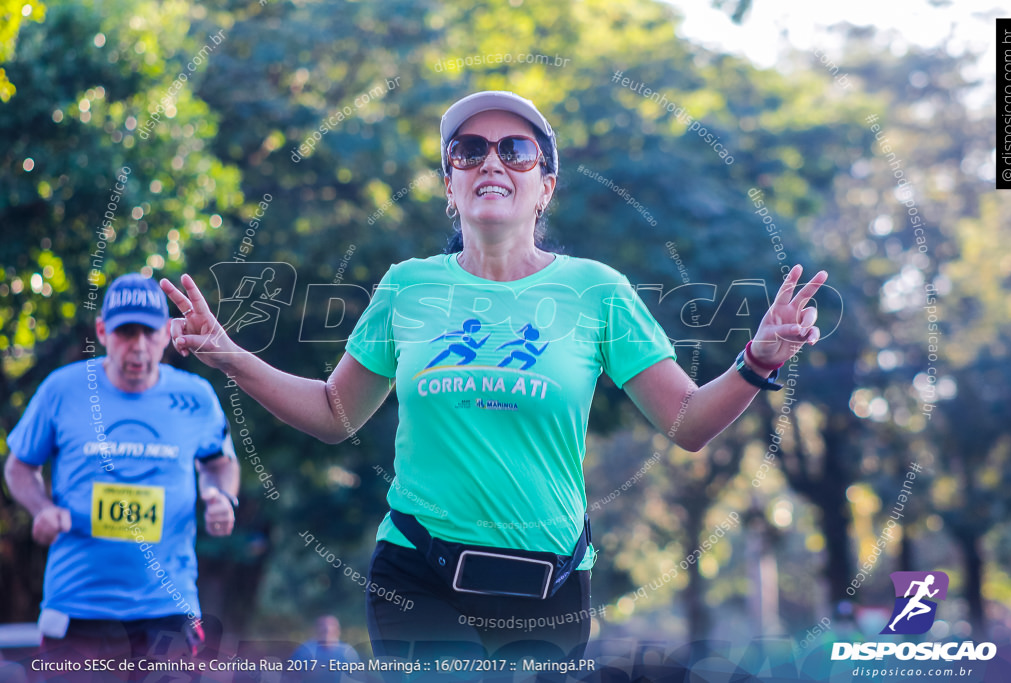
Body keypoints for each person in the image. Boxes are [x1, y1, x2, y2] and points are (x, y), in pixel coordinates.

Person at [159, 91, 827, 662]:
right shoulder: (408, 286)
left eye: (516, 150)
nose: (491, 161)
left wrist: (758, 359)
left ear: (546, 186)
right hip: (417, 572)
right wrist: (229, 355)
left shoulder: (596, 291)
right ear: (450, 186)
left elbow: (685, 423)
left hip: (549, 585)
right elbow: (336, 412)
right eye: (468, 150)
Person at [3, 273, 240, 674]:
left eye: (148, 333)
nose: (137, 346)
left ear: (167, 334)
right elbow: (19, 466)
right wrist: (41, 507)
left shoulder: (195, 397)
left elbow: (219, 463)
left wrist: (221, 497)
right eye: (125, 333)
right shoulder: (63, 390)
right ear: (102, 331)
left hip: (169, 609)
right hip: (77, 608)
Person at [286, 615, 360, 682]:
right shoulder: (304, 650)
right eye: (322, 626)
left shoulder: (348, 652)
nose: (327, 628)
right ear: (316, 630)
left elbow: (356, 677)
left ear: (338, 631)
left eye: (331, 626)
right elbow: (291, 675)